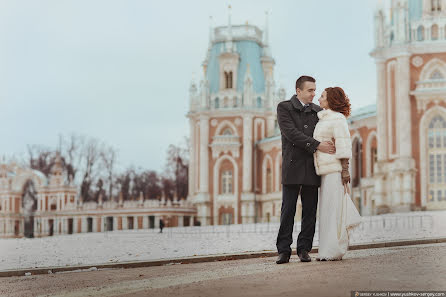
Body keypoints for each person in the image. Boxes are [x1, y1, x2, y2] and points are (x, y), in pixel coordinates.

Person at [276, 76, 336, 264]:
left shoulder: (318, 111)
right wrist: (318, 145)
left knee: (310, 211)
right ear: (298, 90)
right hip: (292, 166)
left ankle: (304, 249)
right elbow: (291, 134)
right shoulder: (284, 108)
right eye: (310, 90)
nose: (313, 94)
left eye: (315, 90)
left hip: (312, 167)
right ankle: (283, 251)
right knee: (288, 210)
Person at [313, 87, 361, 261]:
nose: (319, 99)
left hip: (334, 171)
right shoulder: (323, 118)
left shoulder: (338, 118)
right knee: (326, 212)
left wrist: (345, 169)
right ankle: (325, 250)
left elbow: (343, 145)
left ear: (330, 99)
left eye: (322, 96)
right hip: (325, 171)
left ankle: (333, 250)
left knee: (333, 211)